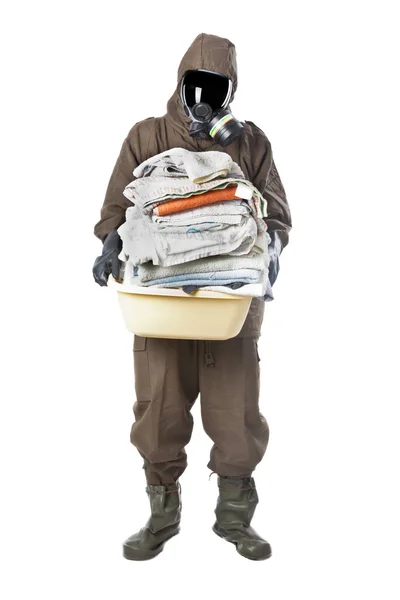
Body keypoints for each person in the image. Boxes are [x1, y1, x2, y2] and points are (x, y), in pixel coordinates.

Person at [92, 33, 292, 561]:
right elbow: (117, 204)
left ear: (229, 92)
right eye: (195, 84)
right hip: (161, 307)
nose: (204, 96)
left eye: (216, 87)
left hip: (229, 309)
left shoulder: (249, 142)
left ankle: (234, 518)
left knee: (237, 415)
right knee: (157, 411)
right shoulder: (147, 136)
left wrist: (268, 247)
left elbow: (276, 212)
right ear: (179, 83)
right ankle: (162, 515)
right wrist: (112, 240)